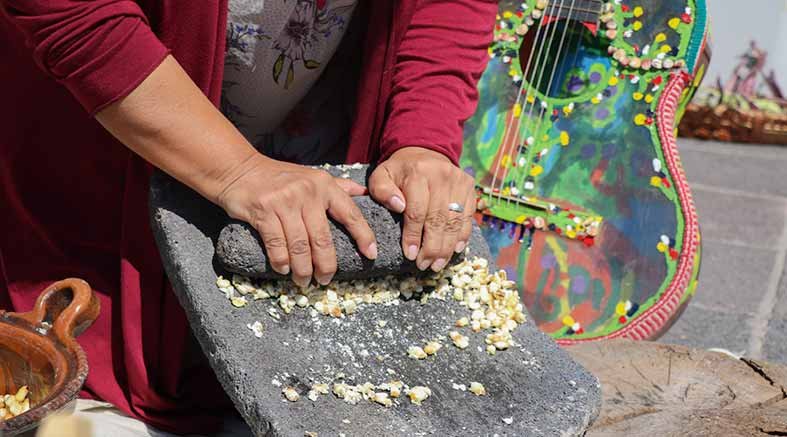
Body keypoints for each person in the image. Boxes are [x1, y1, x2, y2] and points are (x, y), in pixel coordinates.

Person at [0, 0, 496, 435]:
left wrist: (422, 137)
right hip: (104, 168)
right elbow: (73, 11)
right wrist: (237, 170)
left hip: (313, 141)